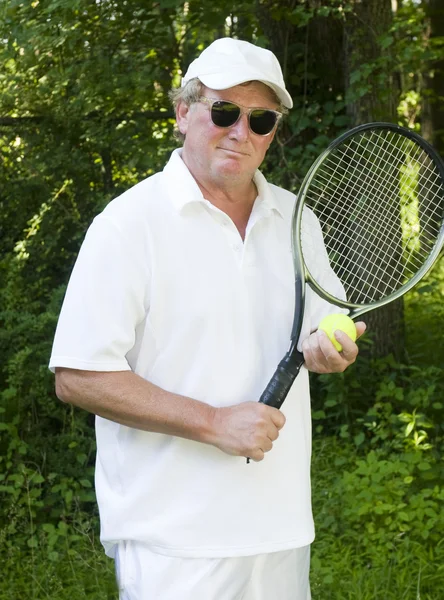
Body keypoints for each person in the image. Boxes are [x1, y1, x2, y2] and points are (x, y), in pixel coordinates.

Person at [50, 37, 365, 600]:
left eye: (262, 119)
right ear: (183, 112)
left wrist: (329, 349)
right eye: (224, 111)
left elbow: (324, 330)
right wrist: (213, 422)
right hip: (173, 542)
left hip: (280, 530)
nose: (241, 132)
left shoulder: (297, 219)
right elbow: (78, 375)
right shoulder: (128, 225)